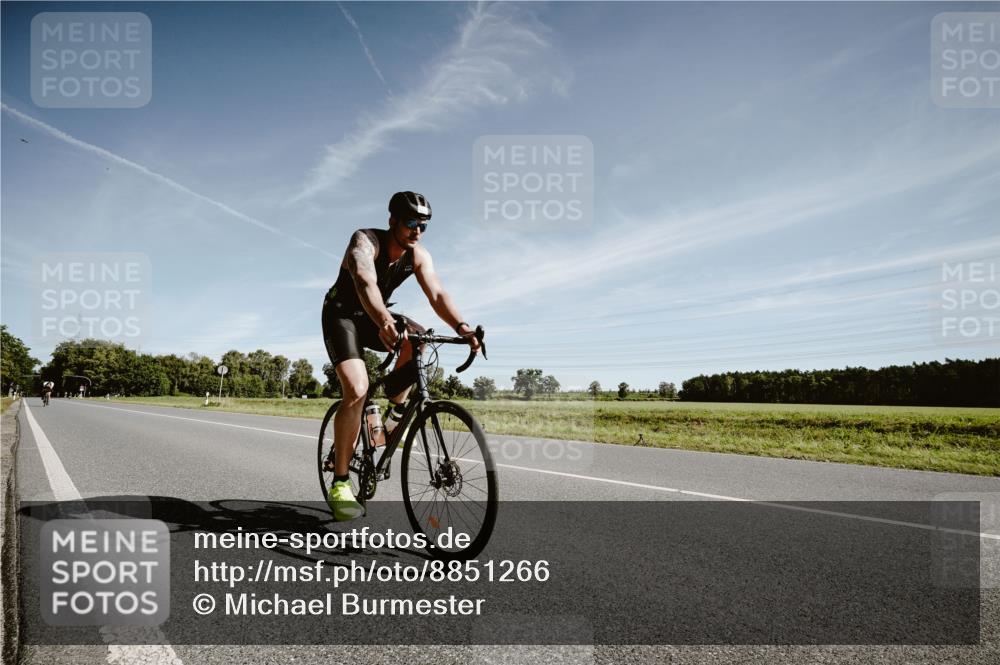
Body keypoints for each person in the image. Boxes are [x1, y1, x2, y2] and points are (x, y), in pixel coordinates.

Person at [321, 191, 480, 521]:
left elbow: (437, 292)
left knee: (418, 339)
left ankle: (394, 416)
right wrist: (383, 321)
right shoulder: (366, 241)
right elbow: (365, 280)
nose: (417, 230)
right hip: (343, 316)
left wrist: (463, 328)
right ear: (392, 220)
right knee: (357, 388)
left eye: (423, 225)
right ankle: (339, 483)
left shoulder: (418, 255)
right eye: (410, 223)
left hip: (376, 315)